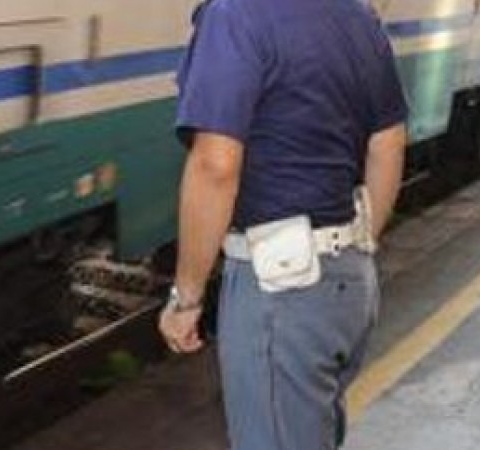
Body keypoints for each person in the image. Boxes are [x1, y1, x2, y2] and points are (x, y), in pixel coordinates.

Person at [157, 0, 408, 448]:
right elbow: (388, 143)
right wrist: (357, 244)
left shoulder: (235, 15)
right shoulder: (358, 15)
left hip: (280, 293)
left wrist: (185, 298)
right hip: (349, 283)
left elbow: (215, 165)